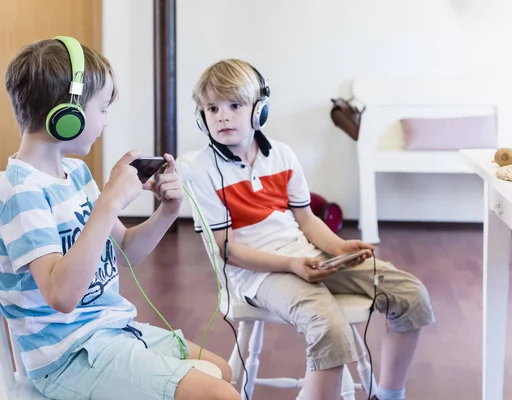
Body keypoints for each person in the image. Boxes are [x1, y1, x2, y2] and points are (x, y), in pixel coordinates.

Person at [0, 36, 240, 400]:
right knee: (220, 394)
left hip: (111, 331)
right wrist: (107, 203)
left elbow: (126, 253)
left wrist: (168, 212)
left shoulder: (75, 174)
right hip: (68, 357)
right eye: (102, 108)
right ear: (68, 115)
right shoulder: (21, 191)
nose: (106, 120)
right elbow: (61, 295)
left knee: (224, 371)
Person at [187, 58, 436, 400]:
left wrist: (337, 248)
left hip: (307, 255)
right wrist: (291, 265)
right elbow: (226, 250)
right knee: (329, 327)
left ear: (260, 110)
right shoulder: (201, 171)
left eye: (234, 105)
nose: (222, 116)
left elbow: (305, 219)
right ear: (202, 116)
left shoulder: (283, 156)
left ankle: (390, 395)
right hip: (256, 275)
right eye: (212, 108)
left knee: (410, 294)